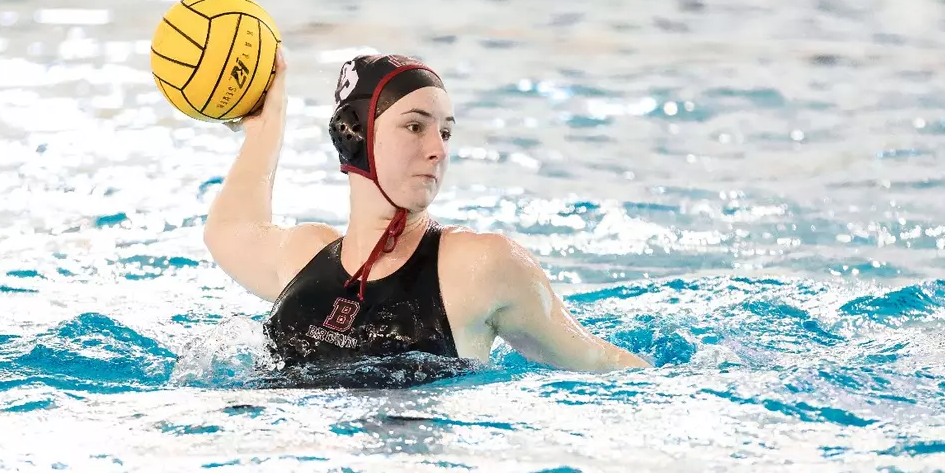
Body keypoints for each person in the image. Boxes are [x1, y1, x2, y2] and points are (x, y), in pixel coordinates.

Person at [202, 50, 648, 377]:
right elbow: (228, 231)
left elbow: (600, 363)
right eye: (415, 126)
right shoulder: (303, 255)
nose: (438, 150)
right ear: (354, 135)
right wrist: (267, 122)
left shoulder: (479, 265)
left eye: (447, 133)